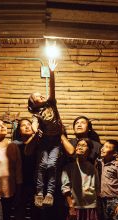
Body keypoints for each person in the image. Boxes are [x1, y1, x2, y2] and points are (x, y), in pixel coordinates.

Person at [28, 60, 70, 208]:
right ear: (33, 103)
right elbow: (34, 124)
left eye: (41, 95)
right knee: (41, 166)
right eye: (38, 96)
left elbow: (52, 89)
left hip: (55, 141)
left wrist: (51, 71)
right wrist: (35, 130)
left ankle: (50, 193)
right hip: (45, 141)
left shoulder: (51, 103)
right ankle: (39, 193)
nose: (41, 96)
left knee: (52, 165)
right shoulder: (37, 113)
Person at [12, 118, 41, 220]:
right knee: (19, 215)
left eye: (29, 124)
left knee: (36, 215)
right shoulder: (15, 144)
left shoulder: (40, 143)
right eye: (23, 125)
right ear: (19, 130)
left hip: (36, 184)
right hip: (19, 184)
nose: (27, 127)